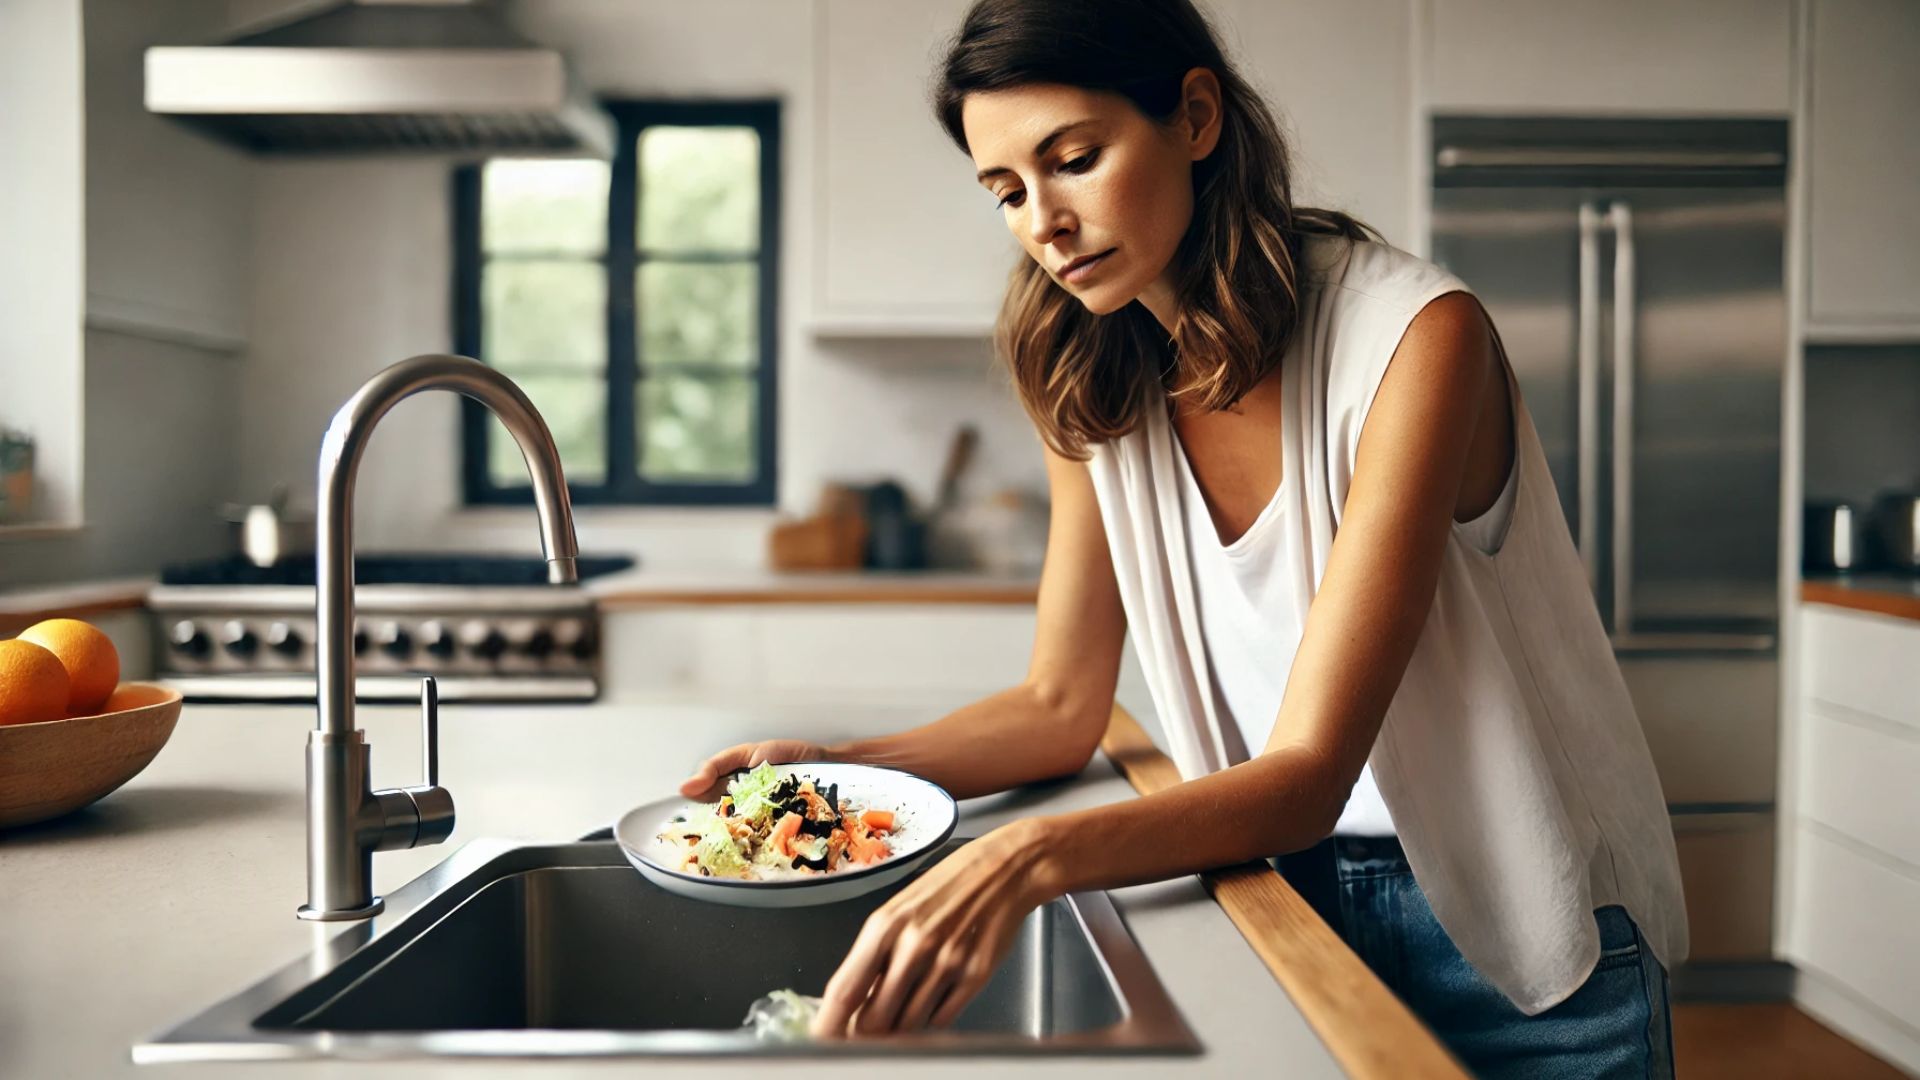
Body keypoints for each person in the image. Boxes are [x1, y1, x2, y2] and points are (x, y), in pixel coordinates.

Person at [679, 1, 1686, 1074]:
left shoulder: (1416, 339)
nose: (1043, 222)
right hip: (1274, 897)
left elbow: (1309, 772)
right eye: (1008, 190)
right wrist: (840, 772)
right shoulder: (1091, 374)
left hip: (1527, 932)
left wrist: (1028, 857)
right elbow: (1060, 708)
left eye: (1073, 159)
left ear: (1196, 116)